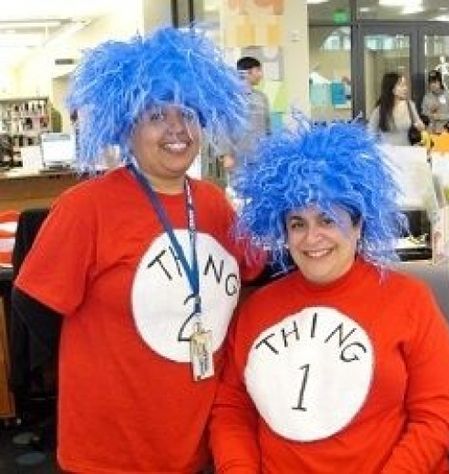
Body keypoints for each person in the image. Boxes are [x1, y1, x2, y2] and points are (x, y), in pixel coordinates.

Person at [12, 26, 264, 473]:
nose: (176, 129)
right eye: (155, 115)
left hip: (198, 442)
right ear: (127, 127)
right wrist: (97, 360)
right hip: (111, 451)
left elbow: (254, 274)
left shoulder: (211, 202)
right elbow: (32, 303)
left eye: (187, 113)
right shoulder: (86, 207)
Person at [210, 118, 449, 473]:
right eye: (297, 223)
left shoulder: (409, 300)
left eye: (327, 220)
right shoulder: (258, 310)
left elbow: (435, 417)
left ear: (359, 225)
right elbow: (232, 411)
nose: (312, 238)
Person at [218, 56, 271, 171]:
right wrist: (226, 155)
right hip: (238, 157)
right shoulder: (230, 98)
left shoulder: (262, 98)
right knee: (238, 187)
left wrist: (270, 149)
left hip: (260, 156)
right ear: (248, 72)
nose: (261, 75)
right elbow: (222, 127)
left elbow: (268, 128)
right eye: (258, 70)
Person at [368, 72, 424, 146]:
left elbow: (420, 125)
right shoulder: (380, 110)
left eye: (405, 85)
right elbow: (371, 134)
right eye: (401, 85)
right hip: (386, 154)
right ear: (392, 89)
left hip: (406, 152)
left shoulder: (410, 105)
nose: (405, 88)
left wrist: (419, 126)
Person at [422, 69, 449, 134]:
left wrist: (440, 116)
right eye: (430, 82)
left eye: (435, 82)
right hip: (431, 132)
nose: (432, 85)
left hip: (446, 132)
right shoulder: (426, 97)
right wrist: (430, 113)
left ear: (440, 82)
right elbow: (423, 114)